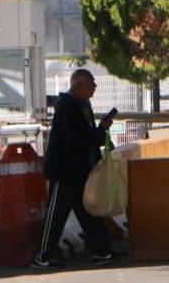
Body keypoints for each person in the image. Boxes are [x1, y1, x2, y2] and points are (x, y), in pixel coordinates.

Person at [32, 70, 116, 269]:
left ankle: (102, 251)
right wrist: (100, 132)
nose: (95, 87)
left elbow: (87, 136)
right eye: (91, 83)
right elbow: (78, 139)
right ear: (79, 86)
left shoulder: (82, 105)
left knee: (89, 211)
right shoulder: (66, 107)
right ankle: (43, 256)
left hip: (80, 172)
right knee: (55, 216)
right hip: (65, 172)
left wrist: (100, 134)